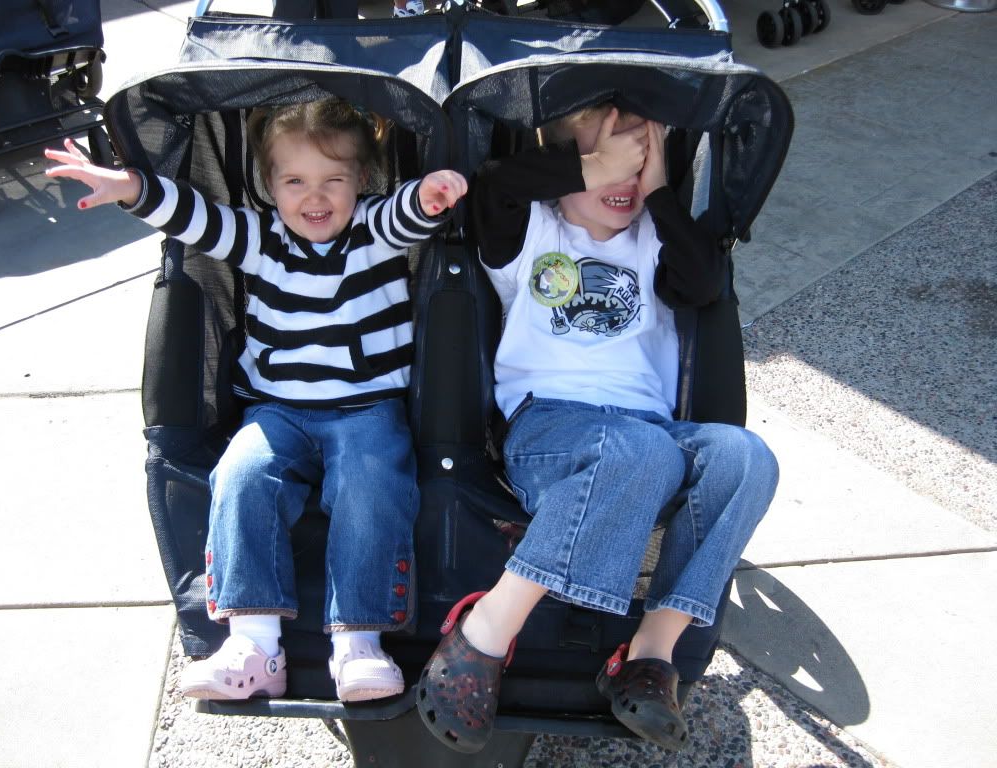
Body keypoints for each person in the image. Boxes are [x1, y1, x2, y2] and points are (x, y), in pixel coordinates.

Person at [45, 98, 467, 703]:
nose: (314, 198)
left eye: (333, 181)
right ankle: (254, 643)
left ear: (362, 183)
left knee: (372, 486)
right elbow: (193, 218)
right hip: (278, 410)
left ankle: (359, 639)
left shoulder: (372, 230)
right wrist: (130, 187)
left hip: (366, 406)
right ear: (269, 185)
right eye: (294, 181)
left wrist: (428, 193)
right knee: (241, 475)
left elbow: (407, 216)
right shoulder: (259, 236)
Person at [415, 103, 779, 753]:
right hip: (549, 428)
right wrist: (586, 167)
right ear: (561, 165)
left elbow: (703, 282)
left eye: (639, 162)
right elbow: (495, 183)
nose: (623, 179)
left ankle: (650, 654)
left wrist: (661, 191)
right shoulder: (528, 231)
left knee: (744, 455)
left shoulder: (656, 242)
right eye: (602, 161)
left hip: (649, 432)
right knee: (640, 453)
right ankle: (485, 629)